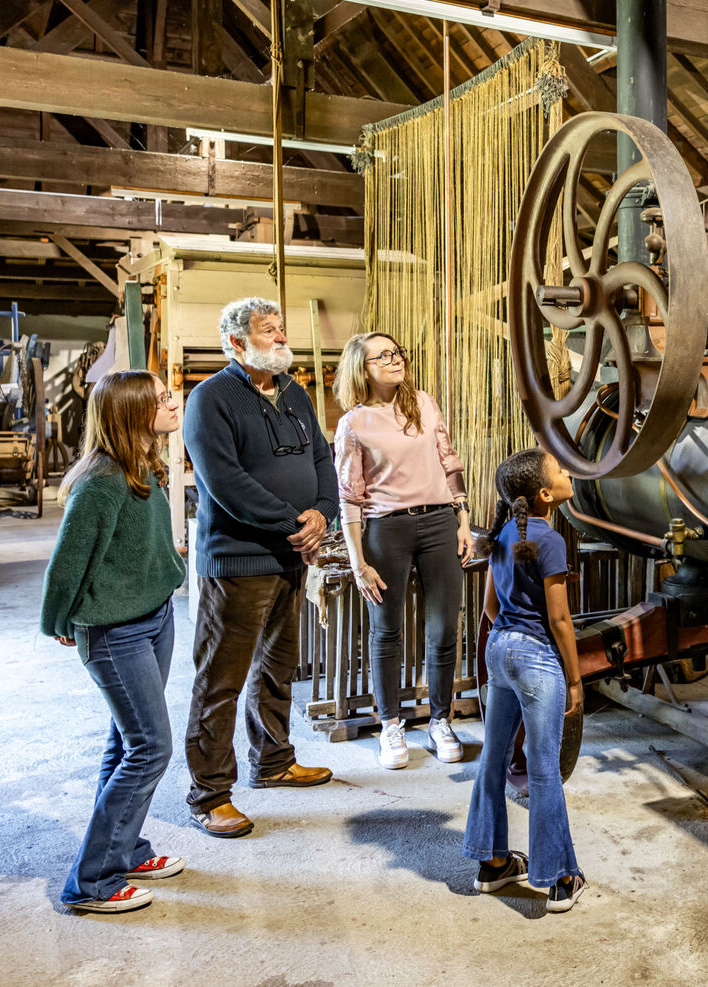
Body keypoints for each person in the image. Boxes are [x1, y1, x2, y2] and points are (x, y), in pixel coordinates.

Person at [181, 297, 336, 838]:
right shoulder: (210, 399)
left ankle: (273, 762)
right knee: (220, 680)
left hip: (292, 555)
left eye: (281, 329)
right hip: (239, 560)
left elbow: (323, 458)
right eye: (268, 331)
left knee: (277, 667)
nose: (279, 338)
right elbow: (224, 482)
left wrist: (323, 513)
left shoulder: (295, 392)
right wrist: (293, 521)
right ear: (236, 343)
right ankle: (209, 794)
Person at [41, 370, 186, 913]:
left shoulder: (145, 466)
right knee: (151, 748)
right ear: (131, 412)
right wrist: (59, 620)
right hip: (115, 629)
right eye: (162, 399)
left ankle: (123, 850)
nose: (173, 403)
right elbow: (67, 565)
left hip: (154, 616)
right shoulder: (101, 482)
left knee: (128, 743)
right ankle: (92, 881)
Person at [332, 332, 475, 769]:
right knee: (387, 629)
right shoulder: (353, 424)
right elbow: (350, 496)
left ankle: (440, 720)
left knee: (443, 628)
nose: (397, 360)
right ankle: (390, 725)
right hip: (385, 528)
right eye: (384, 355)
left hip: (438, 523)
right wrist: (358, 560)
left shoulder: (424, 404)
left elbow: (449, 463)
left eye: (398, 352)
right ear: (363, 368)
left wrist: (463, 517)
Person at [462, 449, 586, 912]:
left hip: (499, 649)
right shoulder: (550, 540)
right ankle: (558, 878)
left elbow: (489, 608)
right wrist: (574, 679)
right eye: (560, 470)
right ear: (545, 494)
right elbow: (559, 619)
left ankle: (493, 865)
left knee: (493, 757)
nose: (567, 471)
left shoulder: (501, 535)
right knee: (543, 768)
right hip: (535, 658)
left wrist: (509, 640)